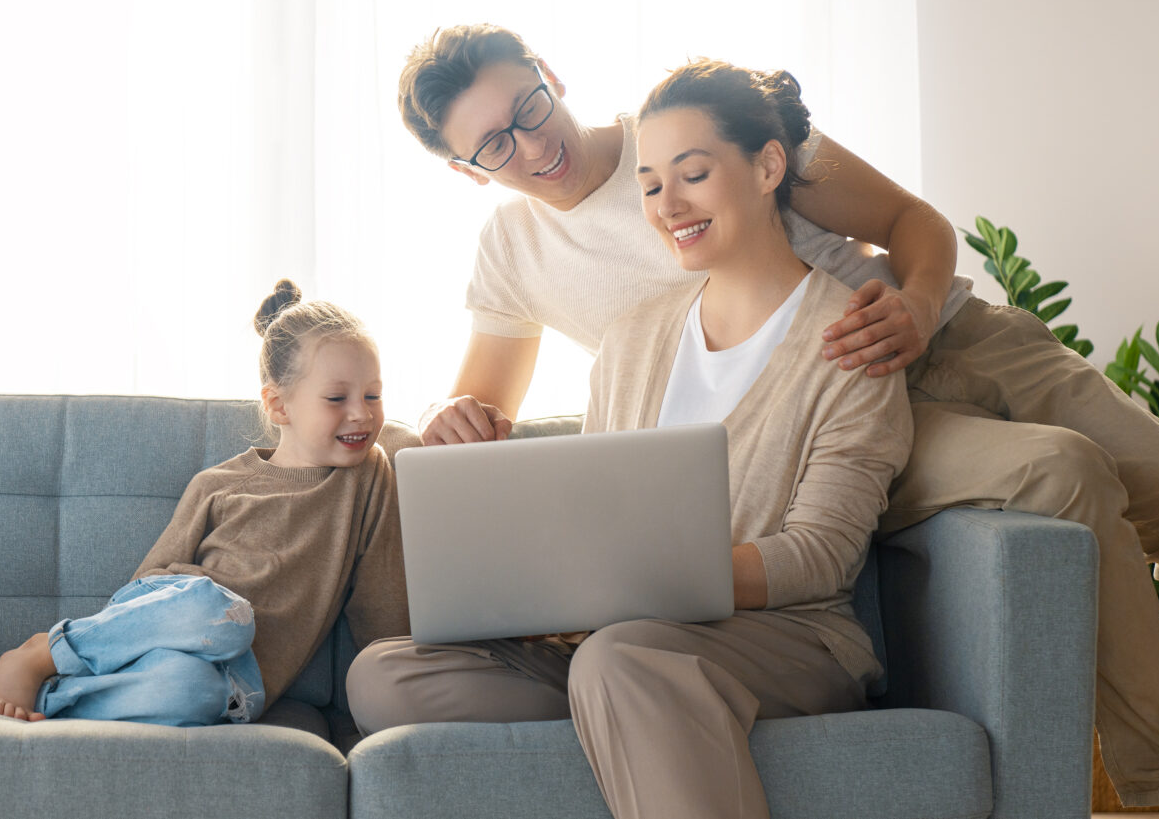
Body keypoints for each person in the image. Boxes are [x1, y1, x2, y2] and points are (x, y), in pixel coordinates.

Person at [382, 24, 1159, 819]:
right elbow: (481, 416)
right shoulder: (514, 251)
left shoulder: (696, 126)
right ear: (468, 170)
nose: (531, 144)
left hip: (943, 334)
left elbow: (910, 220)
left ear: (550, 73)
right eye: (494, 144)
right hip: (835, 401)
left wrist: (921, 306)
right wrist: (442, 414)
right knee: (1063, 472)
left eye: (528, 107)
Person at [351, 60, 912, 818]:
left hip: (787, 637)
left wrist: (631, 586)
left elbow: (818, 557)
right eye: (650, 186)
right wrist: (559, 584)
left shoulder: (851, 339)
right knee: (383, 674)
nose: (668, 205)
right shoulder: (633, 340)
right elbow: (593, 513)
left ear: (768, 165)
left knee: (622, 658)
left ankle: (628, 700)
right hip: (617, 640)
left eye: (693, 175)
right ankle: (634, 717)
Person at [0, 280, 409, 724]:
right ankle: (41, 652)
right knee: (222, 614)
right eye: (337, 398)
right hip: (185, 617)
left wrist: (396, 672)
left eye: (372, 395)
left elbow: (381, 606)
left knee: (191, 692)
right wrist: (193, 601)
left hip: (236, 681)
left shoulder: (368, 476)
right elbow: (145, 585)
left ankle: (41, 696)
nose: (361, 414)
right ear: (279, 405)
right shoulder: (219, 483)